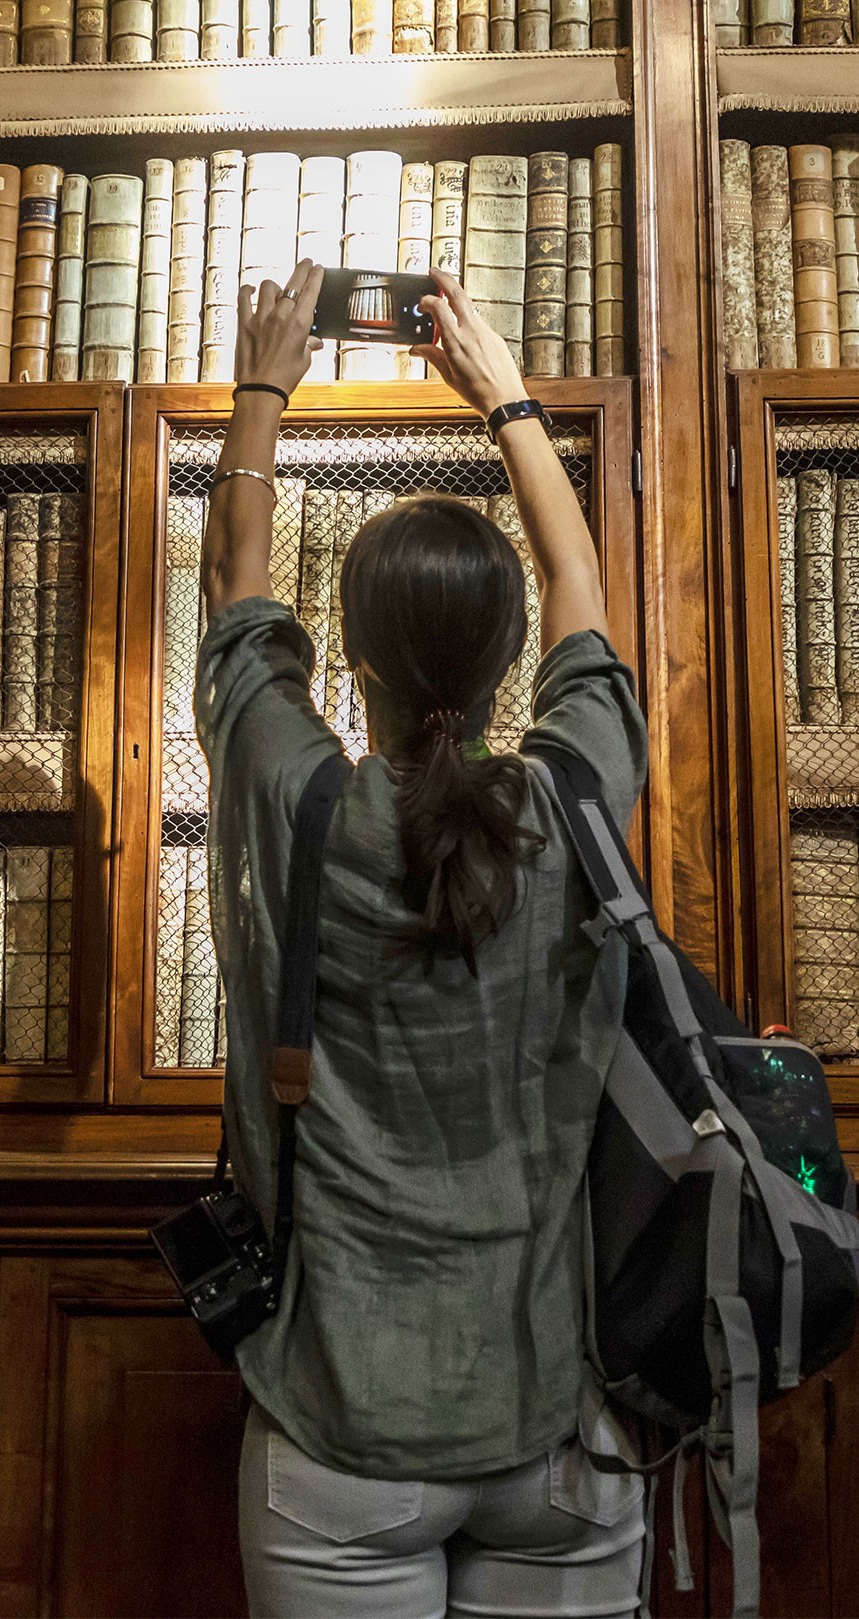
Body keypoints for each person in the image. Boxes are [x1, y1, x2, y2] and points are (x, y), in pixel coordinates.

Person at [195, 260, 650, 1619]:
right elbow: (580, 573)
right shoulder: (570, 798)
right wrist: (504, 392)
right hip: (556, 1426)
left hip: (342, 1433)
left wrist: (267, 382)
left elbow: (231, 585)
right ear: (515, 656)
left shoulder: (303, 798)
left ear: (352, 659)